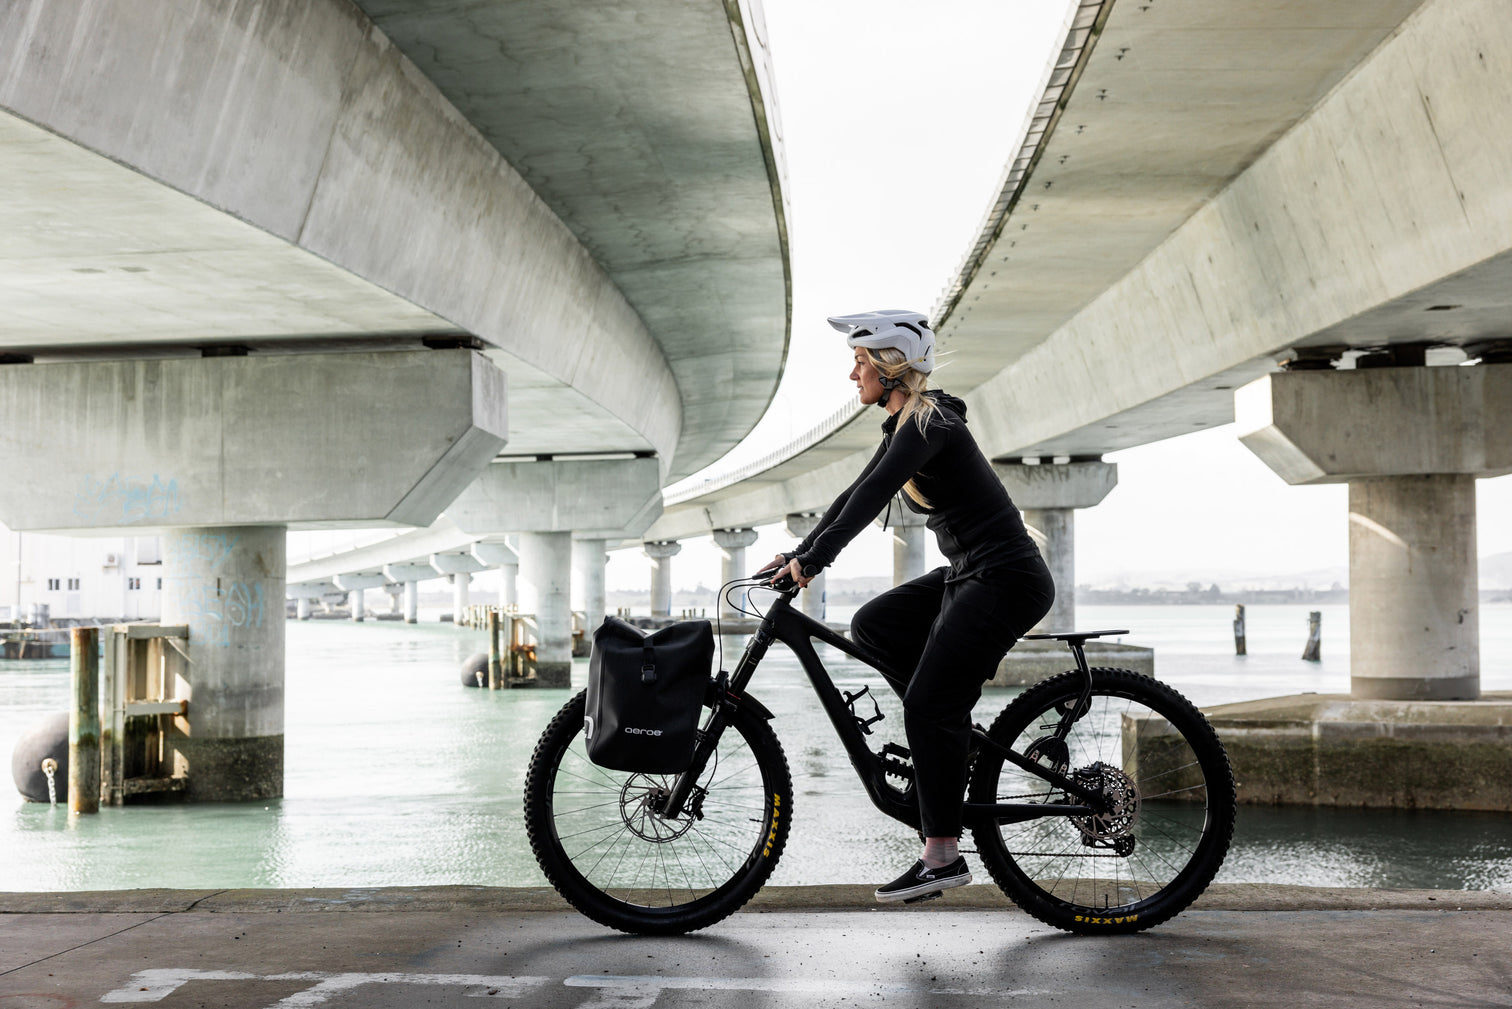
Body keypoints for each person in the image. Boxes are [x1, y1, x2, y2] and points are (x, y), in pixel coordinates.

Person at [764, 309, 1054, 903]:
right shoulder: (906, 424)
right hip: (969, 572)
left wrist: (814, 563)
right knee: (873, 626)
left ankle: (943, 855)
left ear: (891, 367)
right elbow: (854, 490)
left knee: (927, 702)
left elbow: (870, 498)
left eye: (861, 363)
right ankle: (952, 739)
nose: (853, 376)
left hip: (1006, 578)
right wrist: (798, 553)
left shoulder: (932, 420)